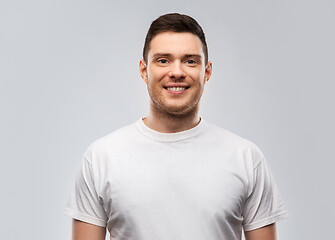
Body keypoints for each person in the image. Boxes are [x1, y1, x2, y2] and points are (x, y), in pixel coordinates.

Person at [64, 13, 288, 240]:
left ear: (206, 72)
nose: (177, 72)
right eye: (163, 60)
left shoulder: (246, 159)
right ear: (144, 71)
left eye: (190, 61)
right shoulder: (102, 158)